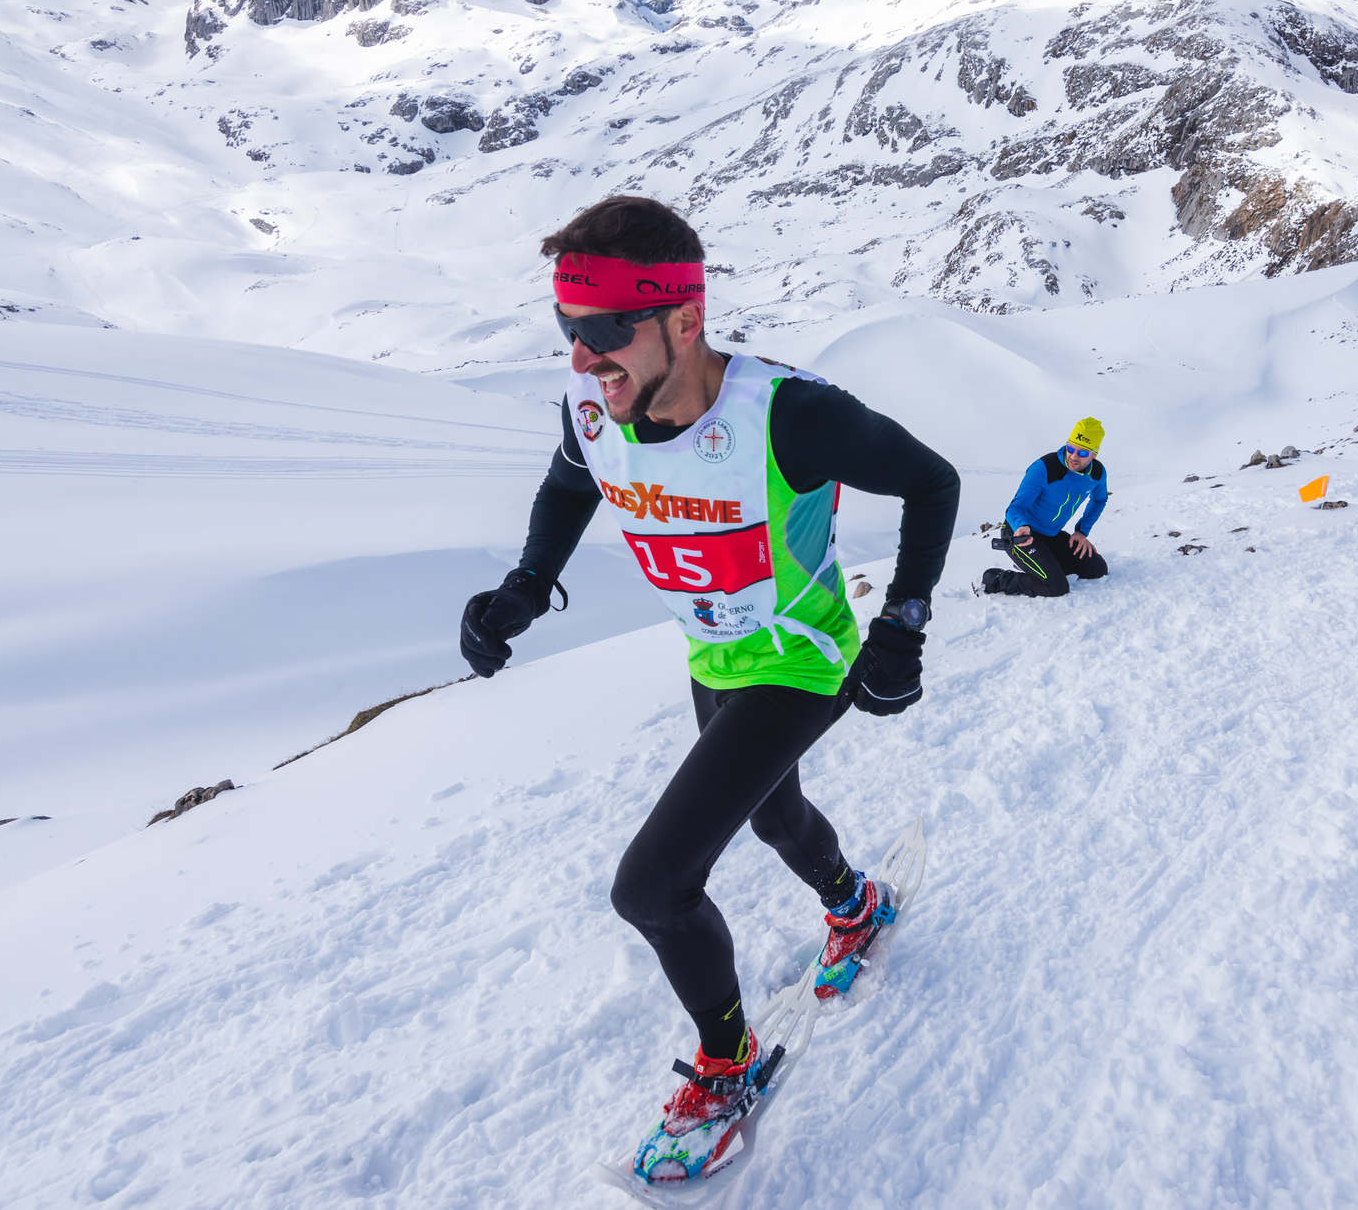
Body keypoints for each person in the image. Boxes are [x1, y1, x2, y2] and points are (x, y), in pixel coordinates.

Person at [457, 195, 960, 1182]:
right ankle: (854, 902)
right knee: (774, 820)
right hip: (713, 655)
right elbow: (570, 484)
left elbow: (931, 479)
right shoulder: (595, 406)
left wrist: (902, 620)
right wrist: (524, 586)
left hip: (802, 660)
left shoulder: (790, 415)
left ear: (682, 320)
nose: (578, 360)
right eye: (568, 333)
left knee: (649, 885)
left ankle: (725, 1067)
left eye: (601, 333)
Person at [980, 418, 1111, 597]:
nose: (1073, 456)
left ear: (1094, 454)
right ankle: (996, 579)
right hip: (1020, 534)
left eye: (1082, 453)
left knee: (1097, 568)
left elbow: (1099, 500)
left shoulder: (1097, 474)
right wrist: (1021, 526)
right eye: (1070, 448)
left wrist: (1081, 531)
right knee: (1056, 587)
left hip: (1049, 535)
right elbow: (1014, 508)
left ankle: (1042, 565)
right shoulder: (1045, 468)